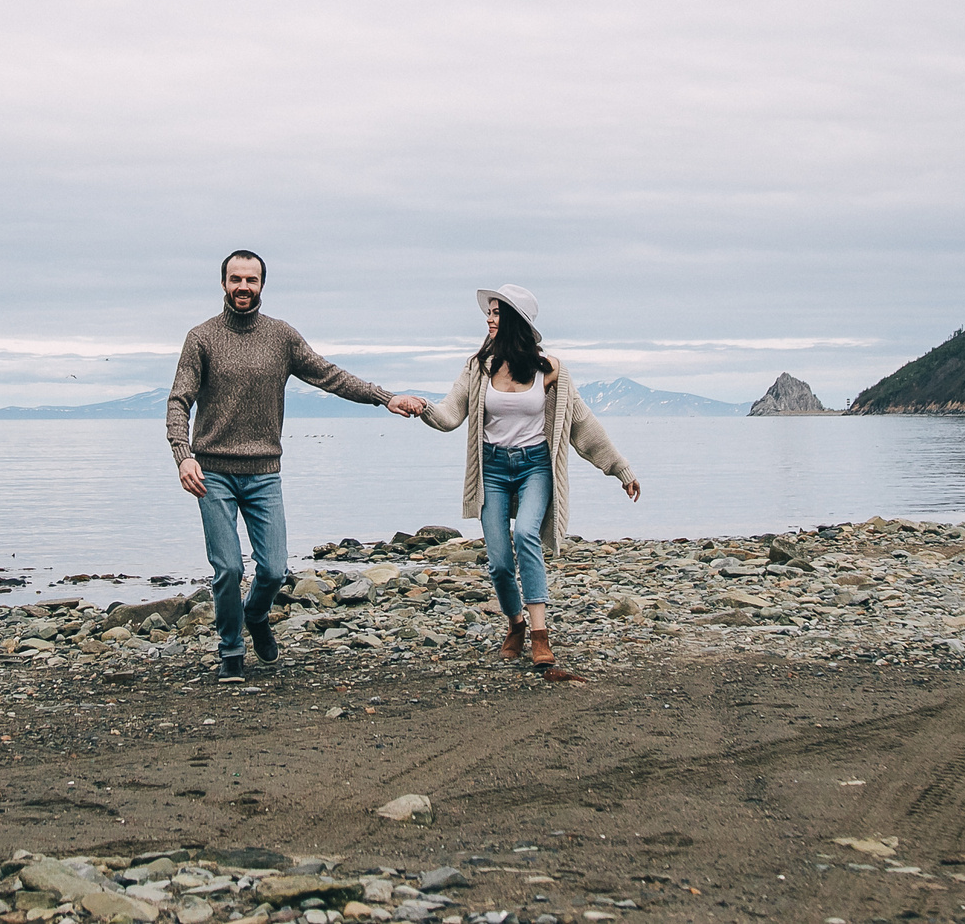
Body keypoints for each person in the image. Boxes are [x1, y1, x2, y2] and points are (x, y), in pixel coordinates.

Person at [168, 249, 428, 684]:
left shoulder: (281, 337)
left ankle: (256, 615)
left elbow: (331, 376)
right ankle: (230, 651)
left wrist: (387, 397)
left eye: (251, 280)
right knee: (229, 568)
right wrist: (183, 455)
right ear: (223, 284)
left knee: (273, 570)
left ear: (262, 285)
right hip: (211, 471)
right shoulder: (201, 338)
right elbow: (179, 400)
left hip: (264, 472)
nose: (243, 287)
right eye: (236, 279)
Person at [419, 284, 638, 668]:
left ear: (515, 321)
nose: (489, 319)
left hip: (536, 466)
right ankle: (515, 624)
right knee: (500, 561)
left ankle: (540, 636)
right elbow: (451, 414)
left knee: (526, 536)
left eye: (497, 313)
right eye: (488, 312)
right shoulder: (478, 368)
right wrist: (421, 407)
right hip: (492, 469)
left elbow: (582, 425)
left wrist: (620, 468)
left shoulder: (549, 370)